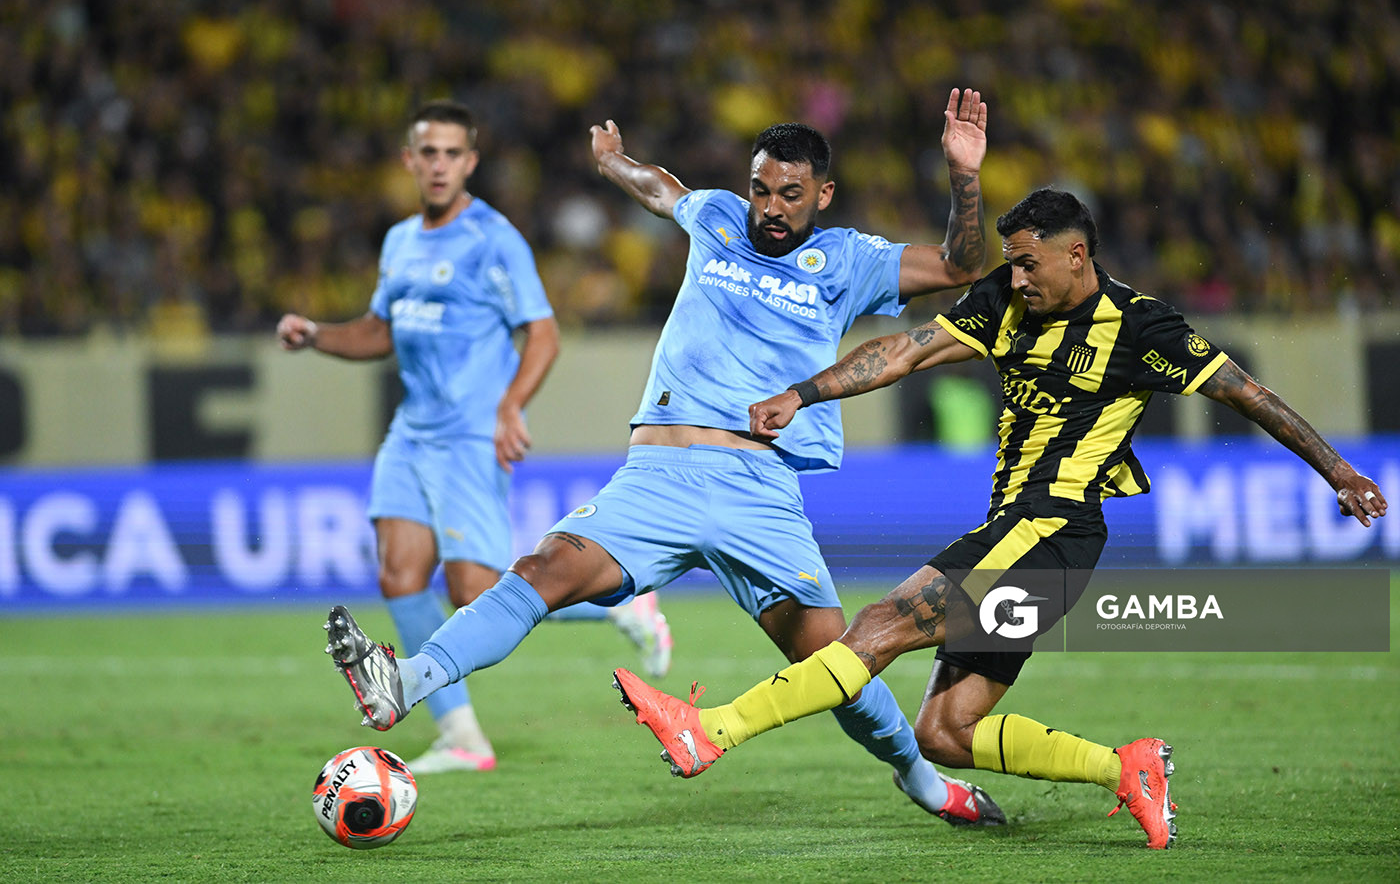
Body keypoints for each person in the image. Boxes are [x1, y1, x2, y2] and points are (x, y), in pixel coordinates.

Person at [610, 187, 1389, 849]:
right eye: (1011, 261)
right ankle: (1127, 767)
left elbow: (1248, 394)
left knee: (879, 625)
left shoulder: (1145, 328)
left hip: (1050, 530)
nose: (1014, 276)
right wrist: (804, 394)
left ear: (1077, 255)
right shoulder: (1004, 303)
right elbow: (906, 351)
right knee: (944, 732)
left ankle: (711, 730)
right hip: (1035, 543)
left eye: (1028, 262)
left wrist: (1341, 471)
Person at [324, 88, 1006, 825]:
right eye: (760, 188)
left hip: (757, 486)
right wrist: (617, 163)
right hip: (657, 479)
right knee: (543, 568)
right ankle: (406, 679)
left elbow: (960, 266)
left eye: (790, 193)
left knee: (833, 663)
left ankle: (922, 778)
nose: (770, 207)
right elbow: (664, 190)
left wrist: (964, 175)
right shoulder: (717, 218)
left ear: (823, 193)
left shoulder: (847, 260)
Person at [280, 99, 672, 774]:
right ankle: (462, 734)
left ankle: (623, 607)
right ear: (409, 160)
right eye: (426, 152)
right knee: (399, 574)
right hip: (411, 433)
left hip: (468, 436)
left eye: (451, 153)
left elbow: (543, 332)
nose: (437, 164)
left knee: (475, 590)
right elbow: (379, 331)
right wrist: (317, 334)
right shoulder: (400, 240)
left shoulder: (494, 239)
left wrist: (510, 406)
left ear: (470, 162)